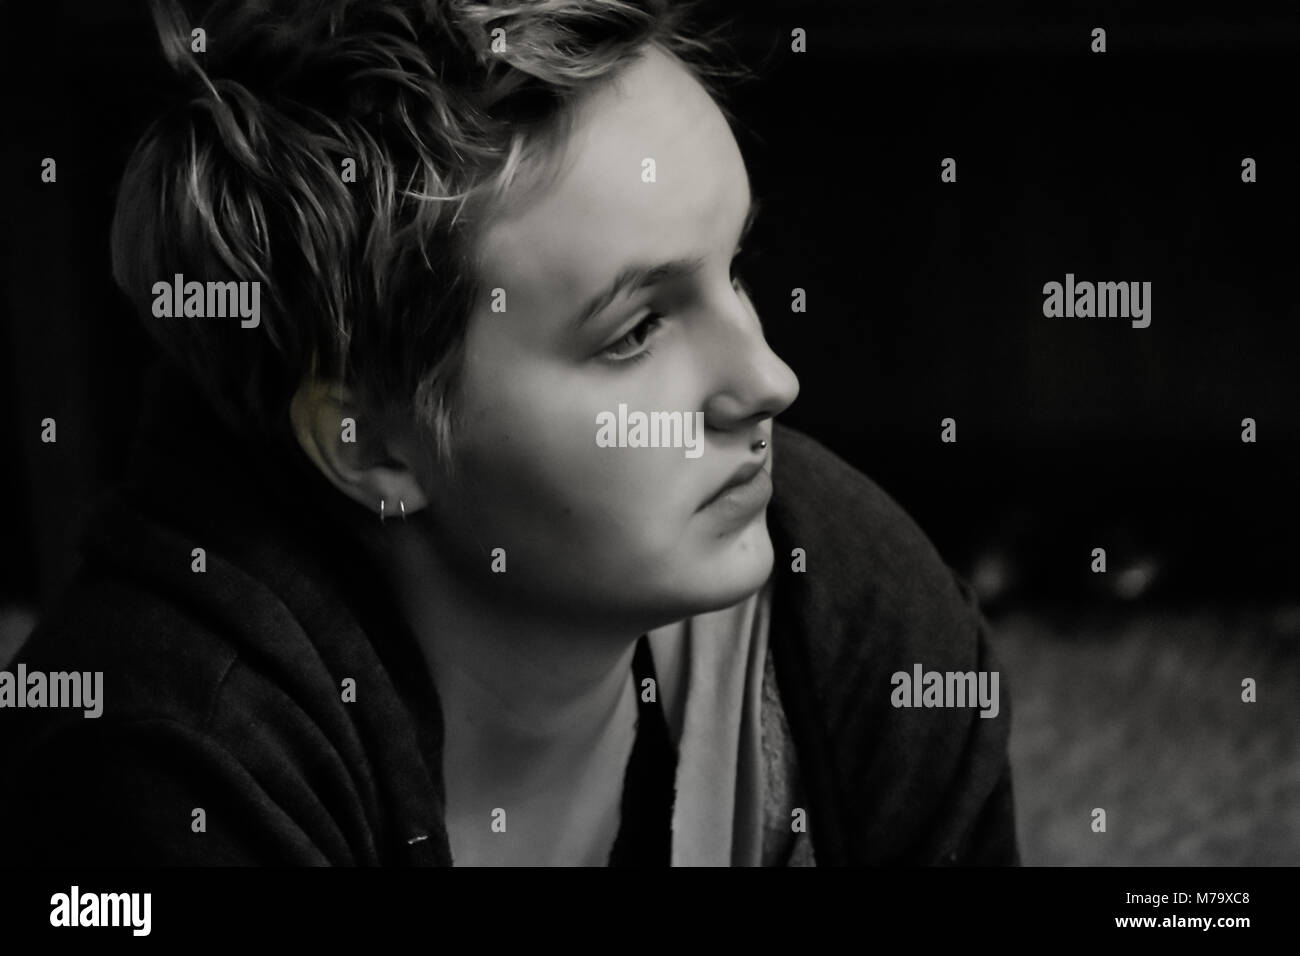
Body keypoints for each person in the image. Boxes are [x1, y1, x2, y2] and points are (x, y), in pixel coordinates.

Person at [0, 0, 1018, 866]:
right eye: (635, 331)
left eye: (734, 267)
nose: (768, 380)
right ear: (370, 443)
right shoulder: (161, 775)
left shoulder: (850, 603)